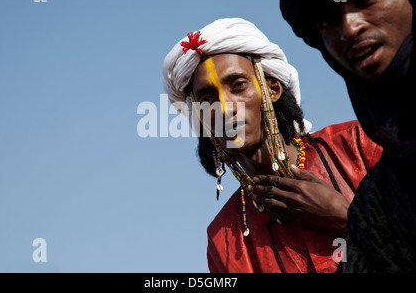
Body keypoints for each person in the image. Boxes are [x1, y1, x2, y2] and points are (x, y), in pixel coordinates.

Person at [162, 18, 382, 273]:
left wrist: (345, 217)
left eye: (238, 85)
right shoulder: (224, 241)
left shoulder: (361, 144)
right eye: (207, 99)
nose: (225, 108)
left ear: (272, 88)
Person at [280, 0, 416, 272]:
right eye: (326, 21)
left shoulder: (354, 143)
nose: (350, 29)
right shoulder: (381, 196)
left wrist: (340, 215)